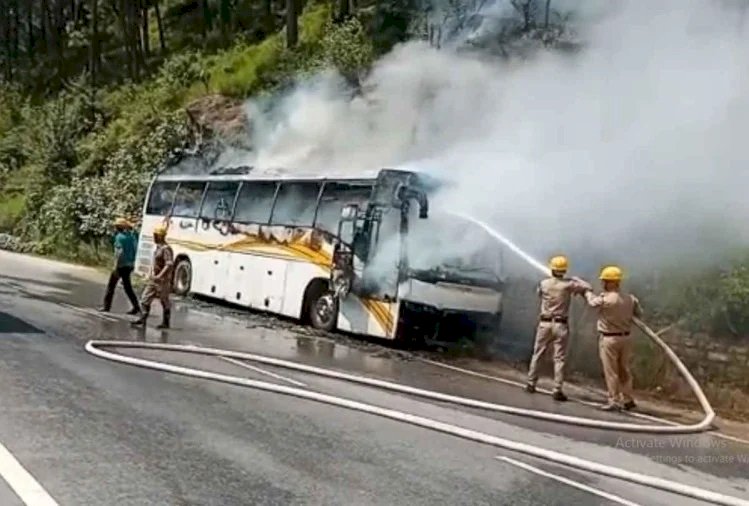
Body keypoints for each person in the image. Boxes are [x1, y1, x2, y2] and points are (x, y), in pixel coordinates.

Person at [526, 255, 590, 401]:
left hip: (544, 323)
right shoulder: (568, 285)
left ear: (551, 268)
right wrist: (576, 279)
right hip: (560, 325)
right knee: (559, 358)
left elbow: (539, 294)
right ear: (564, 270)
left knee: (538, 353)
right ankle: (557, 389)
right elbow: (588, 287)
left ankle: (531, 383)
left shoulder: (544, 283)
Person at [583, 265, 643, 411]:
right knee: (624, 370)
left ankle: (614, 400)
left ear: (610, 282)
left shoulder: (606, 299)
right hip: (626, 338)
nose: (602, 283)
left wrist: (587, 292)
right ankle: (628, 399)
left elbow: (591, 303)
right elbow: (639, 314)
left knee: (611, 372)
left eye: (604, 281)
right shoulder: (630, 298)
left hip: (609, 339)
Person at [132, 224, 174, 329]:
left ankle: (166, 322)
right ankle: (143, 318)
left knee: (164, 300)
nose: (154, 237)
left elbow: (169, 264)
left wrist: (160, 275)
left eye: (155, 235)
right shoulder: (158, 248)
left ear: (160, 236)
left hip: (162, 280)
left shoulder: (166, 249)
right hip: (154, 278)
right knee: (145, 298)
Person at [99, 217, 140, 315]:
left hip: (121, 265)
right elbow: (134, 250)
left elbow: (119, 252)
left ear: (118, 227)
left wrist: (115, 267)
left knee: (111, 286)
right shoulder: (131, 237)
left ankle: (106, 306)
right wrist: (133, 262)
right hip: (129, 265)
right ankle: (136, 306)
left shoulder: (119, 237)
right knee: (127, 287)